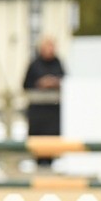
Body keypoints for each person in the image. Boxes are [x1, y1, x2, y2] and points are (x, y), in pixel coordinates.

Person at [23, 37, 65, 165]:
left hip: (53, 112)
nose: (51, 49)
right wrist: (40, 84)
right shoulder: (35, 65)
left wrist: (55, 83)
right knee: (38, 141)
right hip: (38, 113)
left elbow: (66, 81)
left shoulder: (58, 63)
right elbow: (25, 85)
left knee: (53, 140)